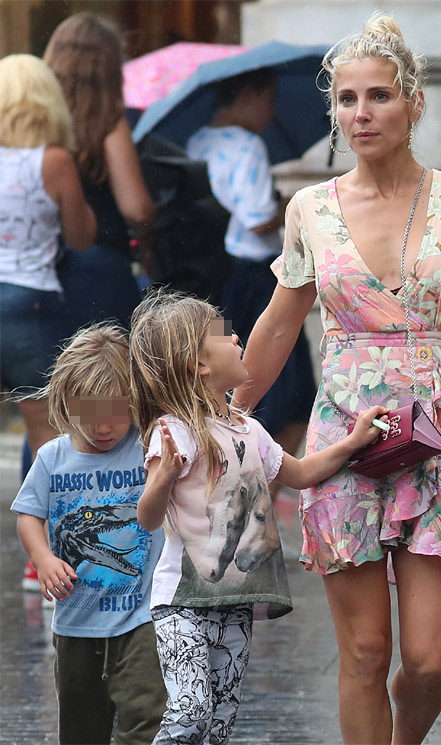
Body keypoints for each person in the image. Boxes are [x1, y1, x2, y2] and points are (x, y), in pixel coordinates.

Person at [234, 14, 441, 744]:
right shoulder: (311, 208)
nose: (360, 113)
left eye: (377, 96)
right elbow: (279, 320)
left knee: (428, 662)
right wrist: (232, 409)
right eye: (346, 100)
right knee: (365, 652)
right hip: (342, 445)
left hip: (440, 443)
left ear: (413, 103)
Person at [128, 290, 387, 744]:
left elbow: (302, 473)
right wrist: (163, 477)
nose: (237, 338)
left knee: (219, 723)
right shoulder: (175, 432)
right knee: (190, 712)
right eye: (225, 335)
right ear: (199, 365)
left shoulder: (249, 429)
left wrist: (352, 443)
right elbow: (148, 518)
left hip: (236, 600)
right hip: (180, 602)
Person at [11, 324, 167, 745]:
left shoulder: (147, 444)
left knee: (146, 718)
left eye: (116, 412)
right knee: (81, 727)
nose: (103, 428)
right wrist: (43, 559)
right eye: (89, 415)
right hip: (75, 619)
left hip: (142, 616)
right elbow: (28, 515)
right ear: (64, 403)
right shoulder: (52, 457)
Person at [185, 68, 316, 469]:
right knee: (288, 385)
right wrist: (286, 205)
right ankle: (264, 471)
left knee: (221, 375)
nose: (272, 110)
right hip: (255, 275)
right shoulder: (248, 146)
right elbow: (258, 218)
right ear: (248, 96)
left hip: (212, 274)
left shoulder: (196, 141)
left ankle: (230, 461)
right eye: (269, 99)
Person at [0, 53, 96, 459]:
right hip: (30, 300)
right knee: (45, 421)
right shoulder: (54, 161)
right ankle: (40, 520)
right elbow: (81, 237)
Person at [43, 12, 155, 332]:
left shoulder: (32, 121)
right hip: (100, 267)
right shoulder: (109, 121)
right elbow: (136, 209)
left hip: (39, 267)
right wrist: (150, 229)